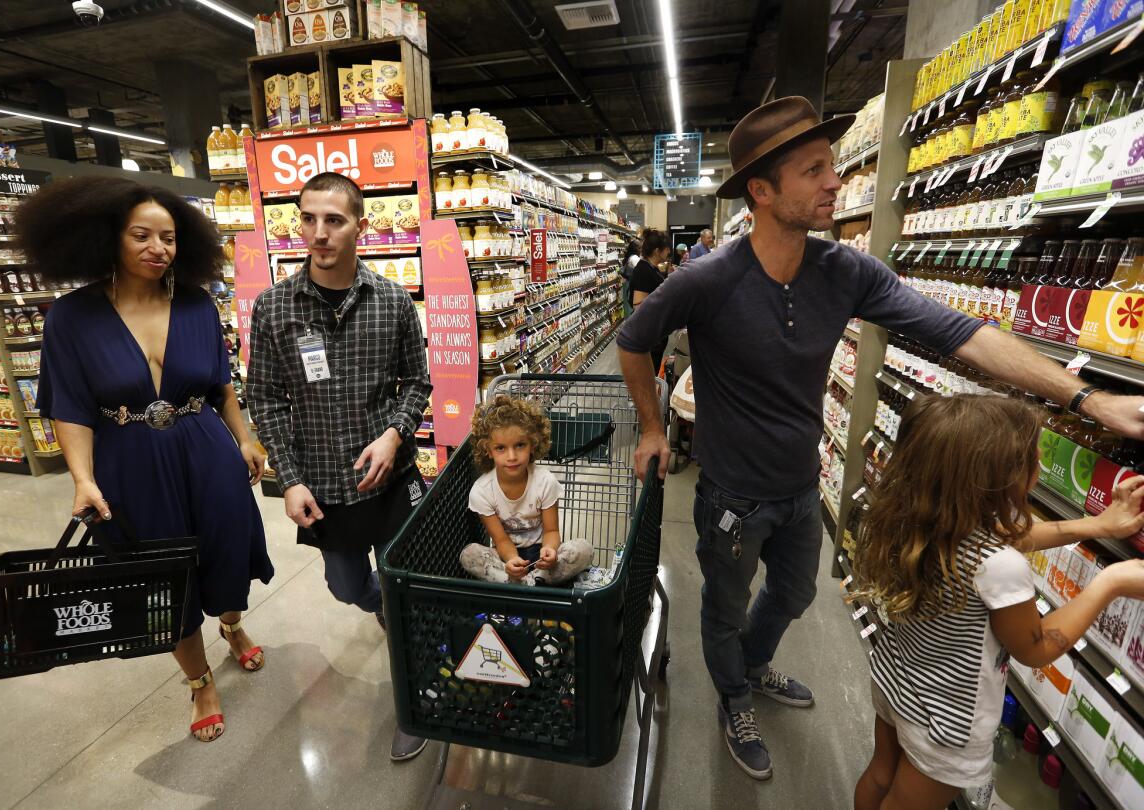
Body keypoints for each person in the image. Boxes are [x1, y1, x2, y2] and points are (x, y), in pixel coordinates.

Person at [616, 95, 1144, 781]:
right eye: (814, 170)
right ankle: (734, 695)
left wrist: (1085, 397)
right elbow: (634, 341)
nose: (834, 182)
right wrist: (654, 428)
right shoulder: (708, 278)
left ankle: (752, 662)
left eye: (833, 166)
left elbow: (962, 332)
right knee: (723, 602)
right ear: (763, 192)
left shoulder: (845, 271)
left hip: (802, 486)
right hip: (730, 493)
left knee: (795, 594)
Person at [21, 176, 273, 744]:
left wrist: (246, 439)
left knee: (226, 550)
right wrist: (82, 479)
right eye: (142, 235)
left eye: (170, 237)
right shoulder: (71, 316)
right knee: (160, 577)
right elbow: (69, 406)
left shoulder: (196, 304)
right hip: (127, 460)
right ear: (109, 237)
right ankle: (199, 680)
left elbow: (221, 386)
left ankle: (231, 625)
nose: (159, 248)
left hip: (204, 447)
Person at [851, 395, 1144, 810]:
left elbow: (1014, 537)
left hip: (896, 679)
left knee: (881, 775)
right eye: (1031, 458)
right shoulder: (999, 566)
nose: (1040, 464)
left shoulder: (923, 519)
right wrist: (1109, 582)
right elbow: (1035, 648)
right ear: (997, 479)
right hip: (947, 721)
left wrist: (1097, 525)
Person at [247, 171, 432, 762]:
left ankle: (417, 698)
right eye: (308, 219)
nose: (319, 233)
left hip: (393, 481)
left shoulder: (393, 302)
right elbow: (267, 398)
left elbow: (419, 383)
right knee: (346, 585)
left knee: (408, 592)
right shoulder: (275, 308)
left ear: (361, 226)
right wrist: (290, 478)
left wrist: (393, 434)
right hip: (325, 486)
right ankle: (378, 602)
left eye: (334, 220)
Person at [459, 395, 593, 586]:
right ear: (488, 450)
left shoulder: (544, 481)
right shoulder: (482, 491)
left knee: (583, 549)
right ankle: (532, 584)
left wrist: (551, 550)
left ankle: (525, 584)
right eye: (500, 448)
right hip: (506, 557)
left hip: (542, 558)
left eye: (520, 445)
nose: (512, 456)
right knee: (469, 555)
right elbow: (501, 539)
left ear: (533, 444)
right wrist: (511, 560)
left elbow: (552, 531)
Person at [628, 228, 672, 374]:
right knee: (647, 376)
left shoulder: (650, 268)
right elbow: (638, 306)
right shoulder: (643, 271)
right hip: (648, 338)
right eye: (666, 250)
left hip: (654, 335)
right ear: (657, 251)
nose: (668, 253)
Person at [621, 237, 642, 317]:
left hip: (628, 285)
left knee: (628, 307)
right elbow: (641, 271)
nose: (641, 250)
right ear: (636, 249)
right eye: (640, 248)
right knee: (630, 308)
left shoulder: (632, 257)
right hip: (631, 286)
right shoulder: (634, 258)